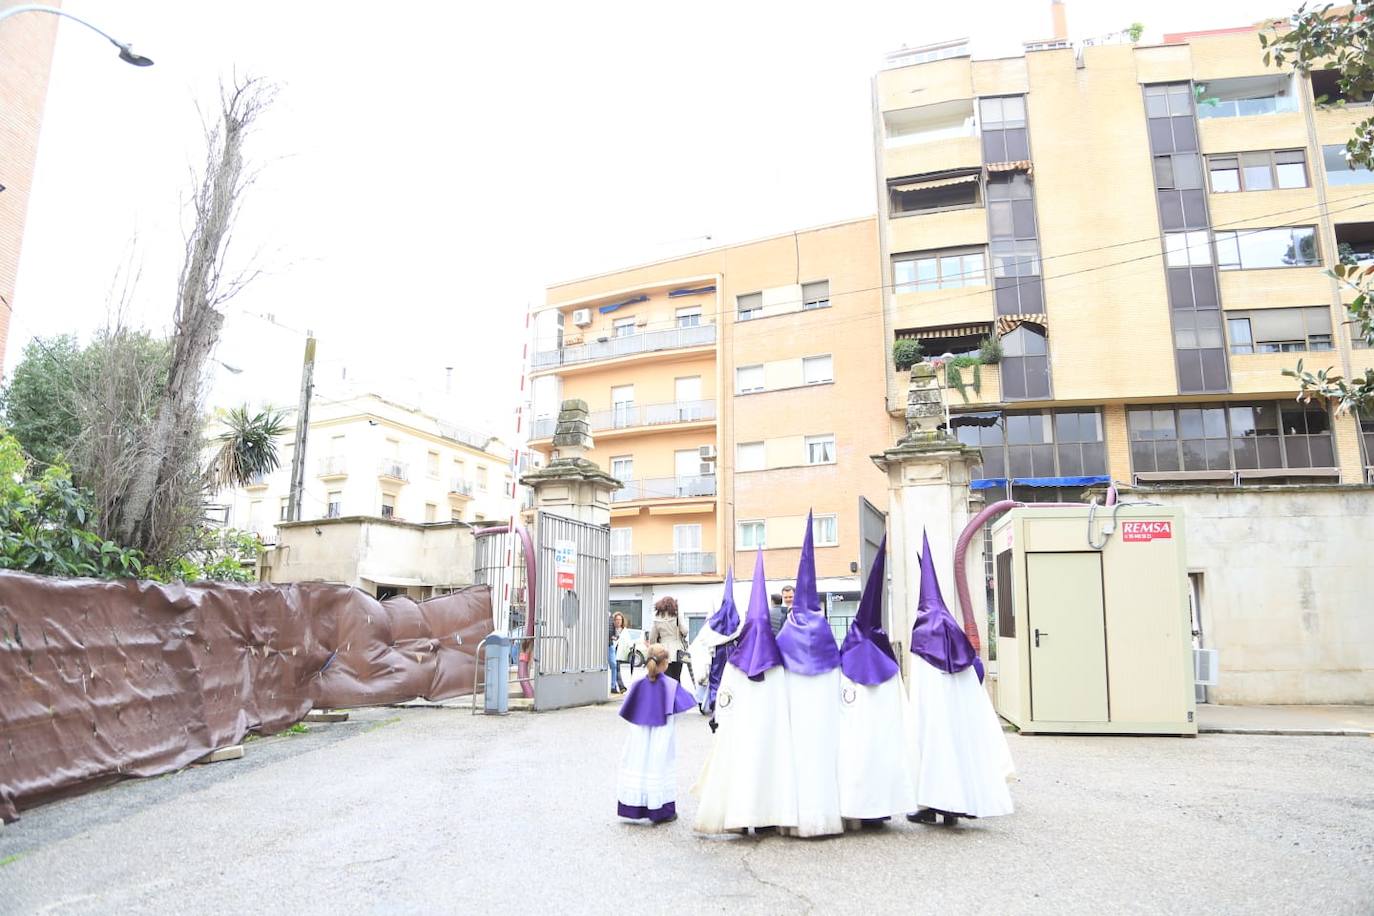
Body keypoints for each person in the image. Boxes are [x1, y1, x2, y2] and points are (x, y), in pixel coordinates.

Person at [906, 531, 1015, 826]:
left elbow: (921, 684)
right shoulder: (952, 629)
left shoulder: (922, 633)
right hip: (957, 714)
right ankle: (956, 806)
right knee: (957, 748)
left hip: (933, 715)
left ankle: (932, 804)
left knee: (932, 750)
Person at [693, 548, 798, 835]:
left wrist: (721, 723)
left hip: (740, 732)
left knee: (739, 769)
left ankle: (740, 817)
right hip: (768, 735)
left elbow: (724, 703)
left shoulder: (734, 665)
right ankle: (766, 816)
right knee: (766, 768)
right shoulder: (777, 667)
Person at [837, 534, 915, 826]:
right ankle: (880, 810)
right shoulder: (888, 664)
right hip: (881, 728)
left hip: (853, 724)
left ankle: (855, 808)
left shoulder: (847, 655)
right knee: (880, 754)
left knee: (855, 755)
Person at [775, 511, 843, 837]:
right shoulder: (825, 630)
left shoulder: (787, 631)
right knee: (822, 758)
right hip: (822, 715)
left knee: (797, 760)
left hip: (796, 715)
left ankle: (795, 815)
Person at [615, 643, 697, 823]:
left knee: (638, 763)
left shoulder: (637, 685)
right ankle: (661, 810)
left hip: (639, 735)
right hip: (662, 733)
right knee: (659, 766)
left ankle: (633, 807)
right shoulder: (670, 685)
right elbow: (688, 702)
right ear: (665, 663)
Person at [688, 569, 742, 732]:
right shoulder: (735, 620)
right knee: (731, 678)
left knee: (717, 680)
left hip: (718, 653)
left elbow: (704, 639)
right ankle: (729, 705)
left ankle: (715, 705)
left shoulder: (713, 623)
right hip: (731, 651)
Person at [648, 596, 688, 682]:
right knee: (676, 678)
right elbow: (685, 631)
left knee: (666, 679)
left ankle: (667, 695)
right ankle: (676, 695)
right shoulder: (677, 615)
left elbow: (652, 638)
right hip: (677, 651)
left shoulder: (657, 617)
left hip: (662, 650)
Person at [608, 611, 628, 694]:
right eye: (616, 619)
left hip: (616, 650)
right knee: (615, 667)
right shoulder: (611, 625)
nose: (618, 621)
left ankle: (615, 686)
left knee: (615, 666)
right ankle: (619, 686)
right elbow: (612, 636)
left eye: (620, 620)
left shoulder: (624, 630)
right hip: (612, 647)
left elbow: (627, 641)